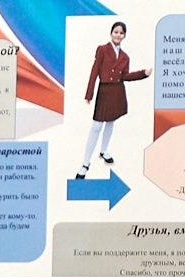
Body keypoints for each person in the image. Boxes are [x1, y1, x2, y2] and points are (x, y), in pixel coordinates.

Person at [78, 22, 149, 178]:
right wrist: (89, 93)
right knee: (97, 126)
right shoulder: (102, 49)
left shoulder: (125, 57)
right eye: (116, 32)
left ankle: (103, 151)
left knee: (111, 122)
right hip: (104, 91)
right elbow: (94, 71)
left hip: (117, 92)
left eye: (121, 33)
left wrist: (143, 73)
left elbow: (125, 76)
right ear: (111, 33)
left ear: (124, 36)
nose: (118, 35)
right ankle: (85, 163)